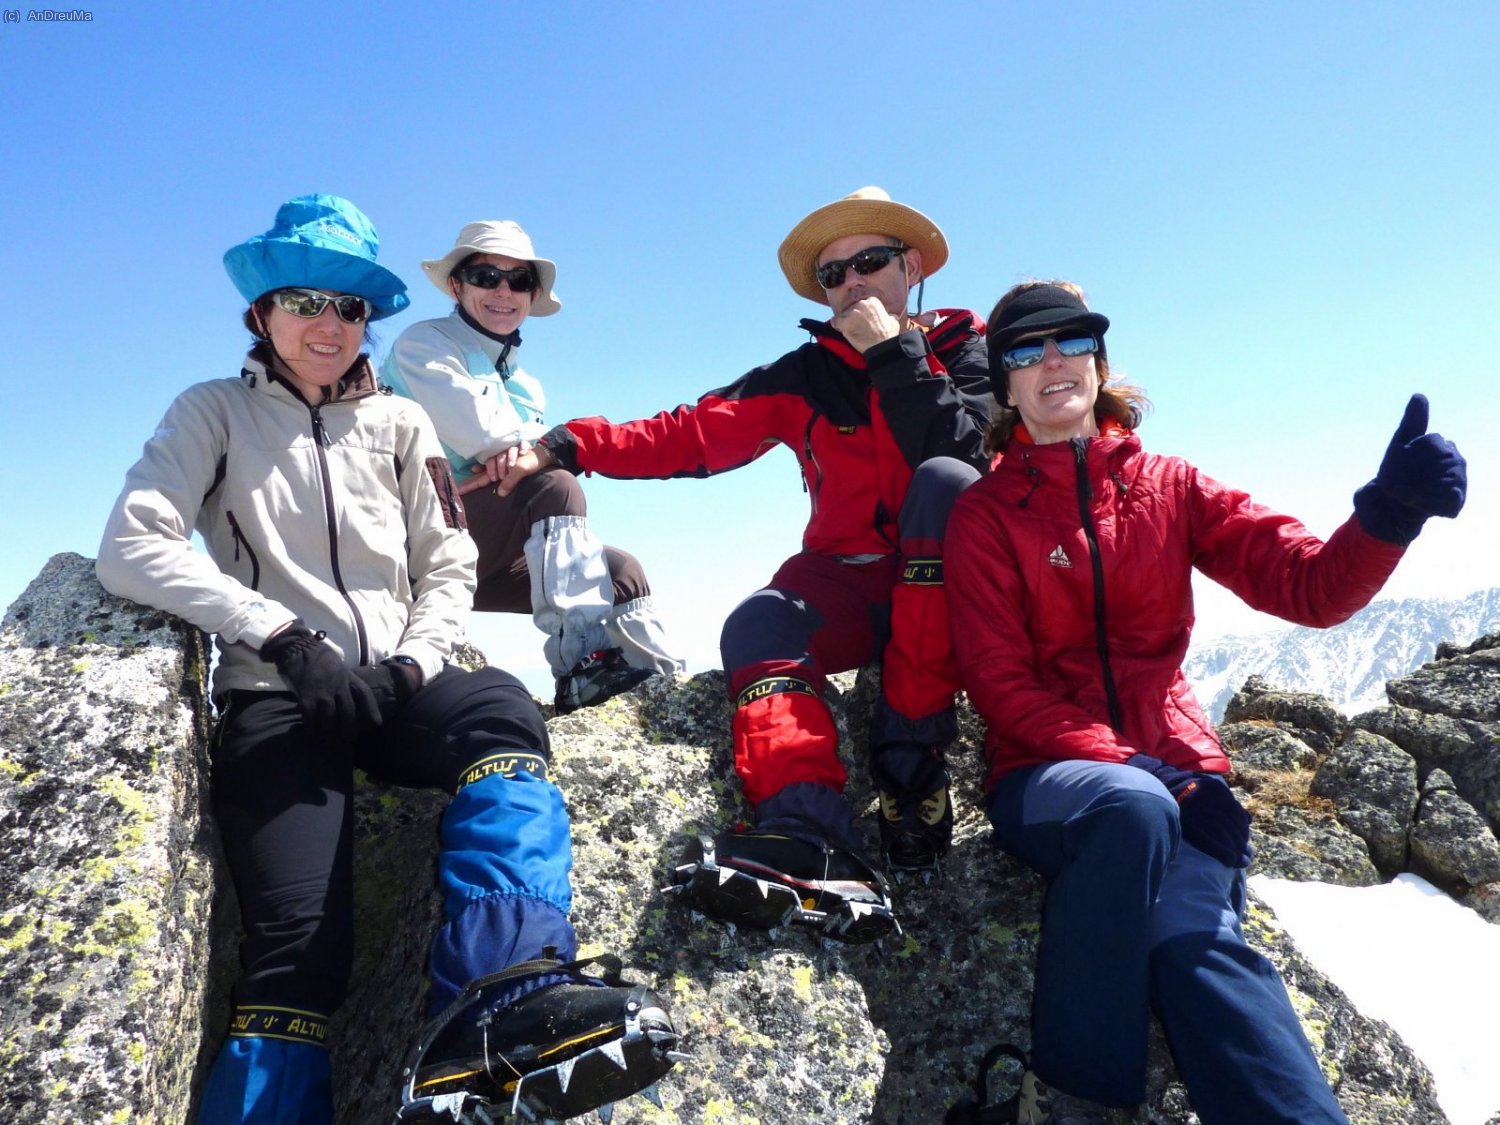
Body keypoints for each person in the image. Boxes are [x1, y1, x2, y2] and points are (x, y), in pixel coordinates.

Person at [95, 195, 681, 1125]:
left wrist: (411, 665)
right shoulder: (210, 412)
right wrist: (281, 636)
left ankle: (506, 1000)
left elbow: (446, 561)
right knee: (298, 954)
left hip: (400, 683)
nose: (329, 326)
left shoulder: (401, 428)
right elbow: (133, 546)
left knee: (498, 711)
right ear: (262, 311)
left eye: (351, 306)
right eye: (304, 301)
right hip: (280, 696)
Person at [945, 281, 1467, 1124]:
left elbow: (1306, 584)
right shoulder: (983, 516)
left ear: (1098, 361)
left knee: (1191, 944)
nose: (1050, 361)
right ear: (1002, 385)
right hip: (1051, 777)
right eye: (1022, 350)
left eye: (1070, 340)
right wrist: (1140, 768)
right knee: (1130, 807)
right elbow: (1003, 686)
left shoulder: (1170, 485)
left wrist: (1389, 514)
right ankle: (1076, 1103)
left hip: (1184, 785)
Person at [495, 187, 993, 942]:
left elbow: (965, 457)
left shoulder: (967, 350)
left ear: (912, 265)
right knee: (760, 619)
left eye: (869, 261)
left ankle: (912, 769)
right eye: (833, 275)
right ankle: (807, 832)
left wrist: (895, 352)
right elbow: (694, 433)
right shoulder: (807, 373)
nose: (851, 283)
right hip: (850, 580)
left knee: (944, 485)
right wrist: (570, 445)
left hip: (957, 583)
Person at [381, 220, 683, 714]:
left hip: (481, 542)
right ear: (456, 285)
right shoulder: (425, 344)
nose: (503, 291)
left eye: (519, 281)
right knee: (554, 486)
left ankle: (655, 687)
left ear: (532, 294)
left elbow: (507, 455)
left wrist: (515, 457)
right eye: (485, 276)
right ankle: (581, 669)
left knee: (622, 570)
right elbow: (486, 437)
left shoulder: (525, 384)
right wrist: (524, 454)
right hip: (416, 544)